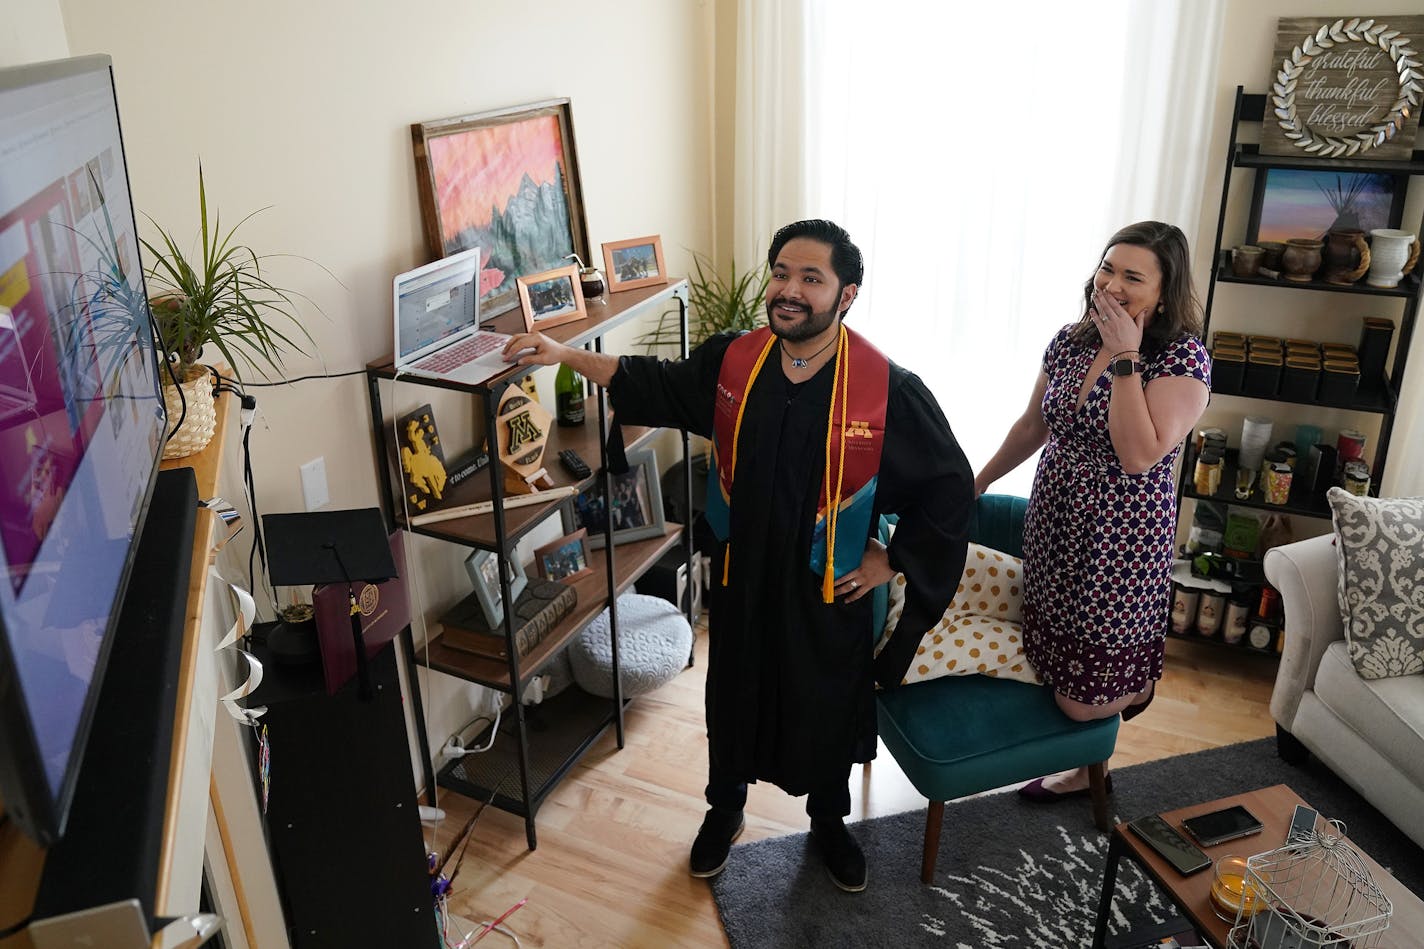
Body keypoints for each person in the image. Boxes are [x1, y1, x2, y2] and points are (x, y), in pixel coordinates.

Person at [503, 219, 974, 892]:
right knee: (734, 698)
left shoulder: (884, 388)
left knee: (823, 702)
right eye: (782, 272)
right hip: (743, 576)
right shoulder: (736, 361)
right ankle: (724, 811)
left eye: (812, 278)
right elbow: (653, 382)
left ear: (847, 295)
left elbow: (950, 484)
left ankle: (829, 821)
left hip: (824, 583)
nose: (789, 290)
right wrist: (561, 352)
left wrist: (891, 559)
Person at [974, 220, 1210, 799]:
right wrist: (975, 483)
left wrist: (1128, 357)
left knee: (1082, 703)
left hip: (1121, 540)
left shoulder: (1183, 359)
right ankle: (1086, 762)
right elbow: (1034, 425)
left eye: (1134, 276)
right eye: (1108, 268)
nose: (1114, 284)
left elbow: (1138, 455)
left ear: (1163, 290)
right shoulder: (1070, 340)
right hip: (1056, 517)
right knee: (1051, 654)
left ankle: (1121, 702)